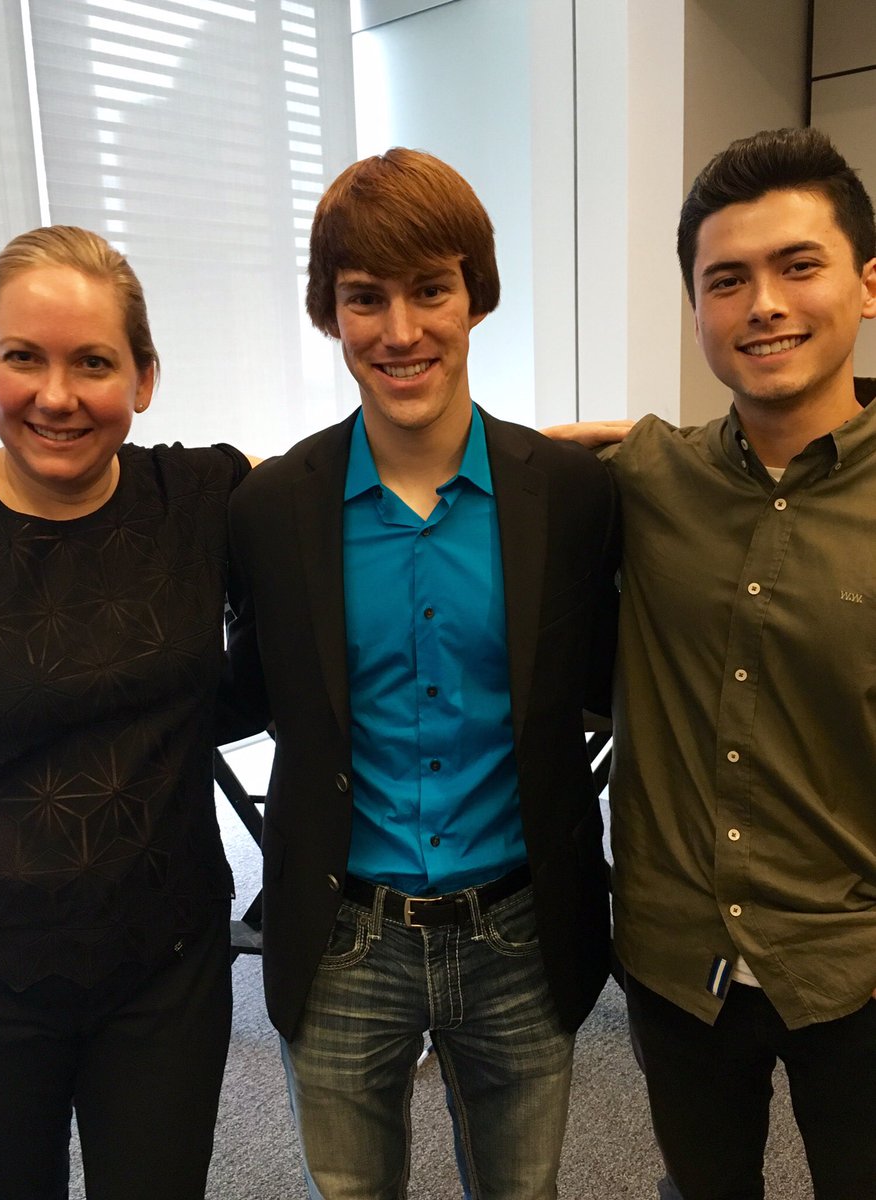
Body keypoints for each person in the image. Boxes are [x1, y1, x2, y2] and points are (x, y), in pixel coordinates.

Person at [221, 148, 620, 1199]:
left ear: (475, 296)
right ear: (332, 312)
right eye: (365, 298)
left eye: (430, 290)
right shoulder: (273, 509)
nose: (400, 332)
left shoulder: (571, 494)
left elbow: (619, 678)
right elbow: (238, 689)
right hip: (342, 930)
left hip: (521, 930)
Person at [548, 126, 876, 1200]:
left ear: (868, 285)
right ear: (695, 309)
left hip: (856, 964)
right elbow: (462, 467)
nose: (763, 305)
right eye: (726, 280)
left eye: (799, 266)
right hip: (675, 956)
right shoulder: (646, 475)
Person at [0, 225, 254, 1200]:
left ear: (145, 378)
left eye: (93, 362)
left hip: (164, 969)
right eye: (24, 357)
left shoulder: (199, 496)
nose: (56, 396)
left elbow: (359, 482)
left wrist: (552, 460)